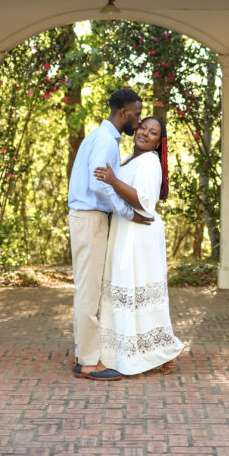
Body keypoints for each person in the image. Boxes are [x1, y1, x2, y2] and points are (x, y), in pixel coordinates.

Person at [67, 88, 151, 381]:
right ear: (123, 113)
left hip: (88, 219)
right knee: (89, 292)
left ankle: (83, 356)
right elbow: (100, 186)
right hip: (90, 219)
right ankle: (89, 363)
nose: (138, 122)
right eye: (137, 114)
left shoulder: (102, 137)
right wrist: (130, 213)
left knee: (87, 290)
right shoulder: (105, 141)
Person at [93, 116, 184, 376]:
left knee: (136, 291)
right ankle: (126, 352)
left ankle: (163, 351)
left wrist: (113, 180)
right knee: (127, 291)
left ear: (158, 142)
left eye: (153, 132)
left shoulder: (149, 162)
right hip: (126, 230)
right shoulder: (131, 159)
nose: (145, 133)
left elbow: (144, 202)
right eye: (143, 127)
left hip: (139, 233)